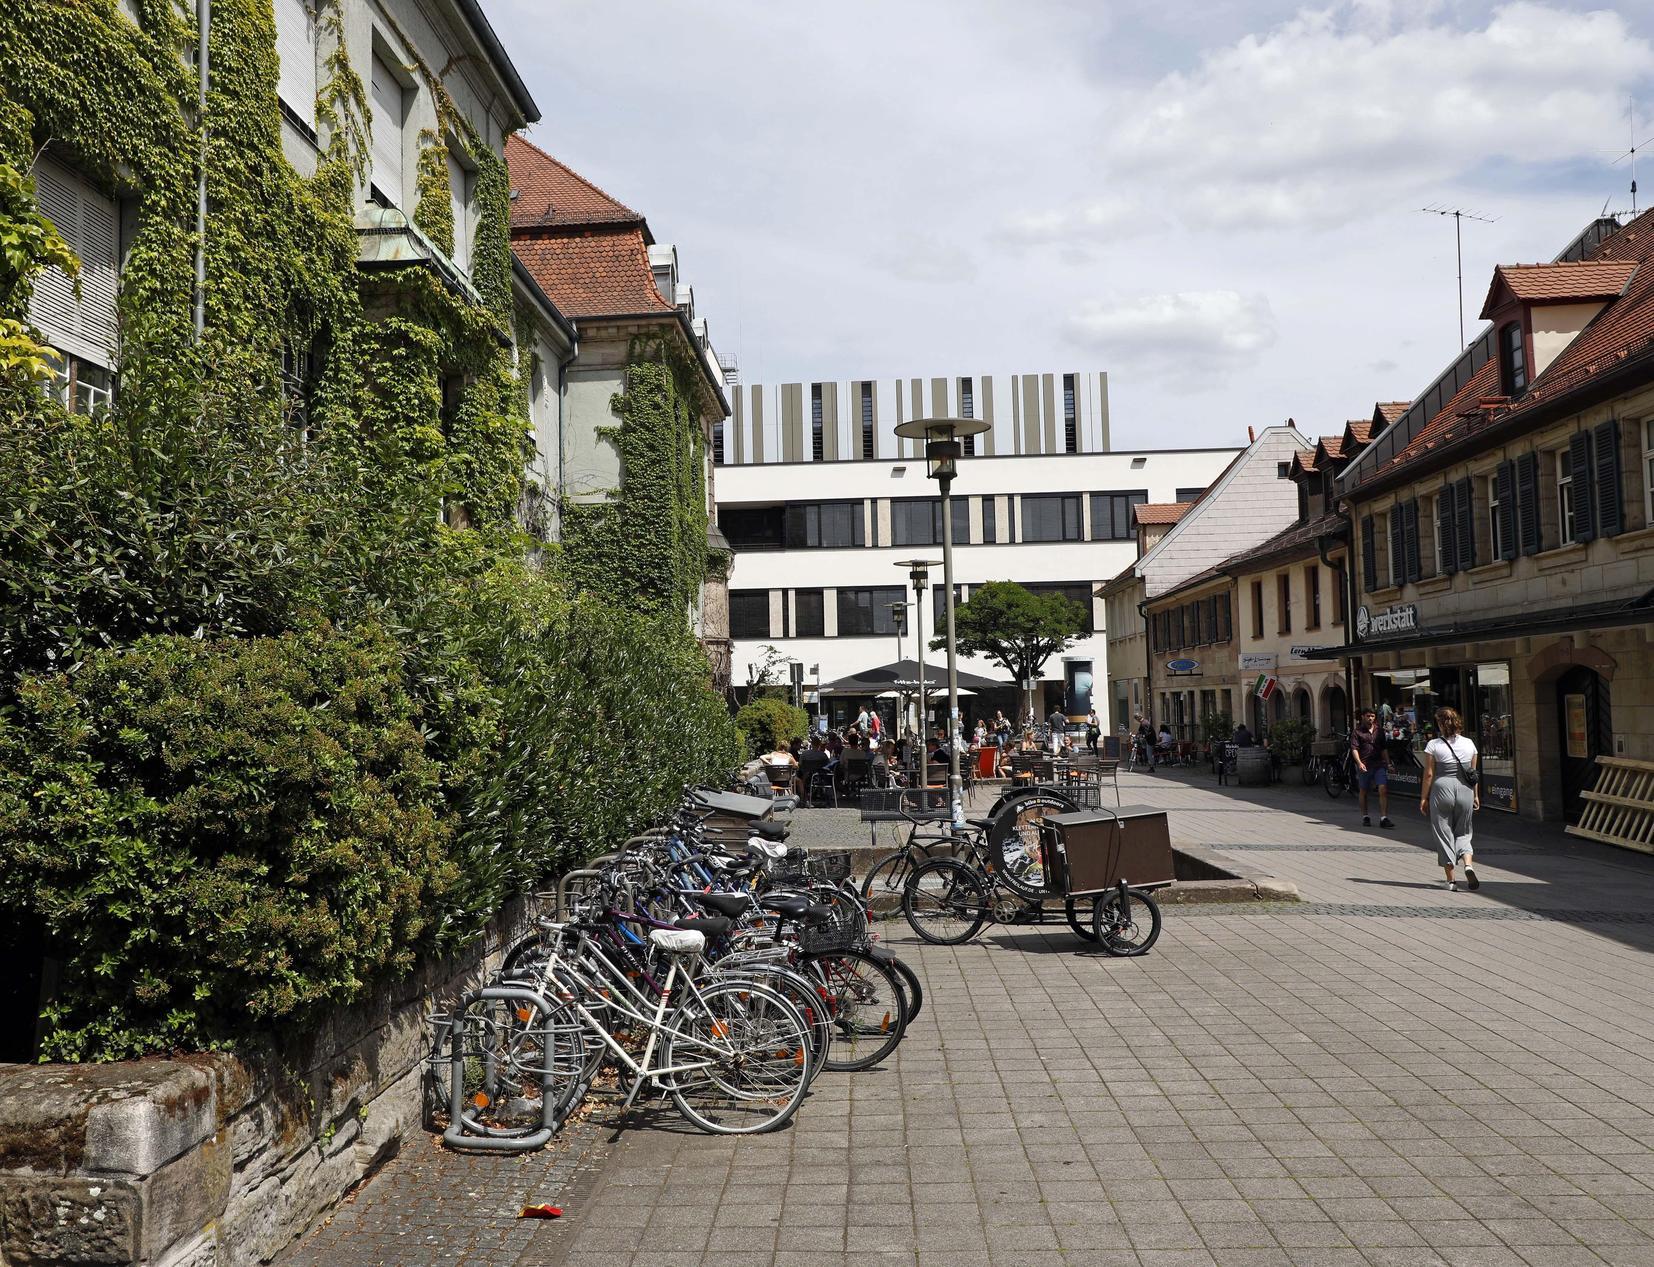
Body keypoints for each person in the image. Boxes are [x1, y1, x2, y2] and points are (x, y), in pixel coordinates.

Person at [1422, 706, 1480, 890]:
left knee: (1443, 831)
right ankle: (1468, 864)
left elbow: (1429, 774)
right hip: (1465, 789)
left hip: (1442, 788)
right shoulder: (1470, 744)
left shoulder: (1434, 745)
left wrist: (1424, 798)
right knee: (1464, 831)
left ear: (1440, 723)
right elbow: (1472, 774)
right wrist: (1476, 795)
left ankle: (1451, 880)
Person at [1350, 708, 1394, 829]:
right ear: (1363, 716)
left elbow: (1384, 748)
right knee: (1364, 791)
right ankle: (1365, 816)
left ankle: (1384, 818)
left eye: (1373, 716)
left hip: (1379, 764)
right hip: (1365, 764)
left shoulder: (1379, 731)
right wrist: (1359, 763)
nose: (1370, 718)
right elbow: (1354, 749)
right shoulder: (1357, 731)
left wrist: (1388, 763)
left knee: (1383, 788)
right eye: (1368, 716)